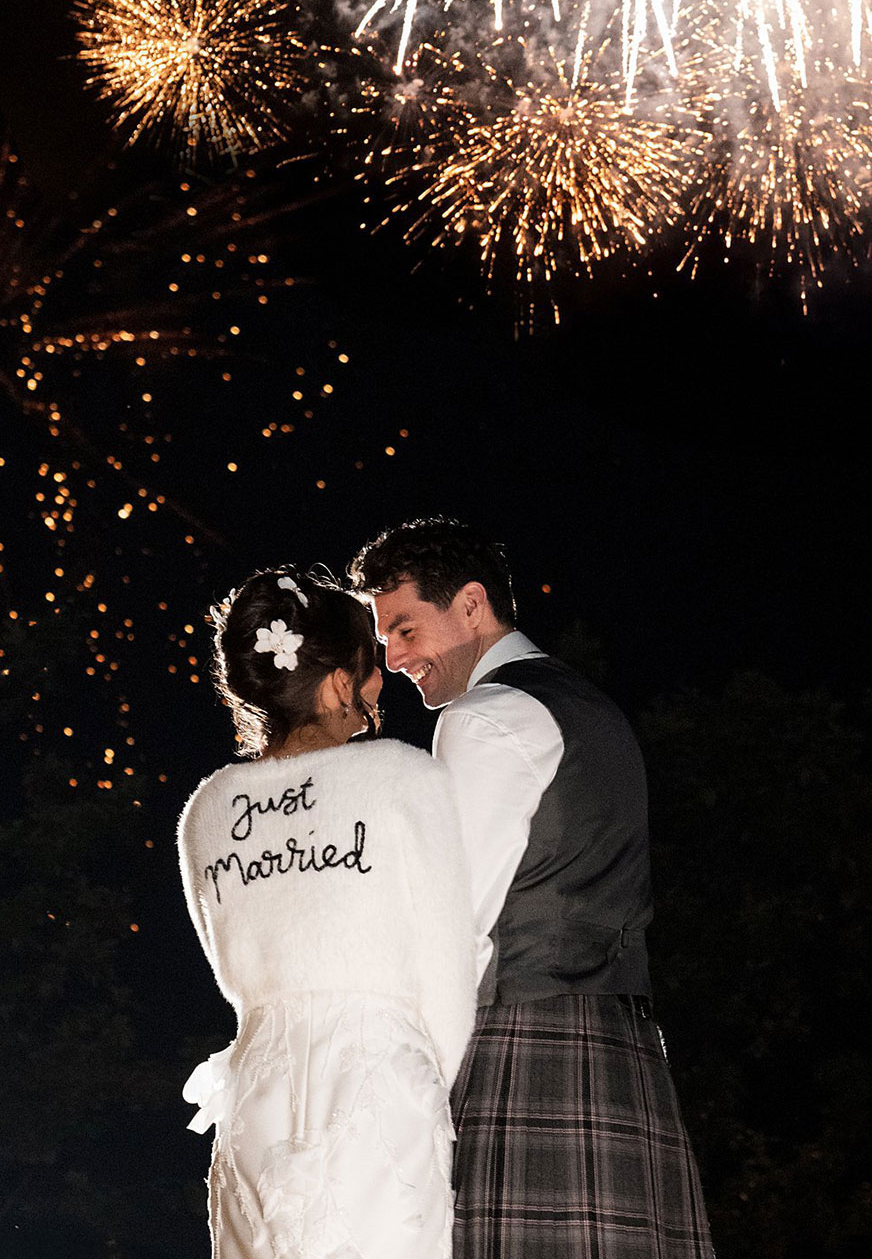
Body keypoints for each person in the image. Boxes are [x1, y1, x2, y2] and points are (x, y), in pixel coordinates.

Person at [350, 517, 714, 1259]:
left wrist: (409, 1084)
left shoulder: (483, 719)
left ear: (473, 605)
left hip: (527, 1048)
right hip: (624, 1047)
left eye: (406, 629)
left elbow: (456, 927)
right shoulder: (589, 707)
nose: (392, 658)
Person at [178, 565, 477, 1259]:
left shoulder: (207, 810)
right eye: (371, 667)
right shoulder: (406, 779)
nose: (380, 684)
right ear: (341, 682)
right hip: (379, 1088)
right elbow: (448, 981)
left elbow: (232, 972)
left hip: (257, 1096)